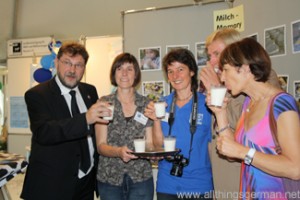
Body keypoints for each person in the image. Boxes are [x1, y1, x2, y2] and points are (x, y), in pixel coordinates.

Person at [208, 37, 300, 200]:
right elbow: (232, 152)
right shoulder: (249, 103)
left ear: (245, 69)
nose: (222, 78)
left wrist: (244, 152)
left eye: (226, 70)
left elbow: (295, 168)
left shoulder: (281, 103)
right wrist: (220, 113)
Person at [21, 42, 111, 200]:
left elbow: (96, 132)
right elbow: (45, 132)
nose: (72, 70)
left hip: (86, 183)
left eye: (79, 65)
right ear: (56, 63)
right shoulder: (37, 94)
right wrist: (85, 119)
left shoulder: (89, 91)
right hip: (51, 186)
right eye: (67, 63)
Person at [199, 28, 281, 198]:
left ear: (235, 50)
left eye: (217, 54)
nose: (212, 61)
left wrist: (218, 89)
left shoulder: (263, 78)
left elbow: (246, 125)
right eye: (210, 56)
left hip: (246, 170)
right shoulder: (224, 79)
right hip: (221, 169)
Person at [144, 48, 214, 200]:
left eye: (180, 69)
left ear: (192, 72)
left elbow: (213, 148)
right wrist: (156, 119)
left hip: (200, 184)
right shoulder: (163, 104)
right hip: (168, 184)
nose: (175, 76)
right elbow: (159, 146)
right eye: (170, 71)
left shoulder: (208, 104)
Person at [95, 52, 156, 200]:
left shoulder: (146, 104)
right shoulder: (104, 103)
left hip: (140, 177)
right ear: (114, 73)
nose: (124, 73)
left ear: (136, 74)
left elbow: (149, 143)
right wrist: (118, 152)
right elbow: (101, 145)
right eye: (119, 68)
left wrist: (152, 152)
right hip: (110, 178)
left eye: (129, 69)